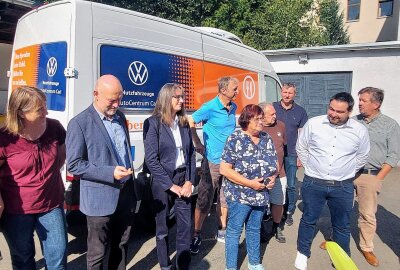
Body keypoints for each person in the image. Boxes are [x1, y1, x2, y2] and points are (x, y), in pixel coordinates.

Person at [294, 92, 370, 270]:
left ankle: (342, 260)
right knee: (308, 219)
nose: (333, 114)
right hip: (314, 183)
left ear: (349, 112)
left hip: (342, 186)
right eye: (331, 109)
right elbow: (301, 148)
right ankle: (302, 253)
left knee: (342, 225)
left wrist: (345, 172)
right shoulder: (314, 123)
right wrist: (313, 168)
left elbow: (362, 156)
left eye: (339, 112)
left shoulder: (359, 130)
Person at [66, 75, 135, 270]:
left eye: (119, 98)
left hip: (125, 193)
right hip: (99, 198)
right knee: (97, 253)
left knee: (121, 246)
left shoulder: (120, 117)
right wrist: (110, 172)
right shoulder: (79, 123)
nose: (117, 104)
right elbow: (75, 164)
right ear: (96, 94)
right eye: (112, 100)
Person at [0, 86, 67, 269]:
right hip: (17, 210)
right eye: (40, 109)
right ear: (21, 113)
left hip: (51, 204)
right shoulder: (5, 138)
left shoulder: (55, 128)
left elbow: (60, 158)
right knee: (23, 258)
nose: (46, 111)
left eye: (45, 105)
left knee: (58, 256)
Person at [143, 83, 196, 270]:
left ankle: (183, 266)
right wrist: (171, 186)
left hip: (183, 178)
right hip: (163, 181)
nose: (182, 100)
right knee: (162, 229)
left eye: (182, 96)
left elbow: (190, 154)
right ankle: (165, 266)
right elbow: (151, 160)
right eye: (177, 97)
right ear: (166, 98)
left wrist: (190, 181)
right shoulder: (153, 123)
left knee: (185, 227)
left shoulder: (183, 122)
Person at [220, 104, 277, 270]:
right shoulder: (235, 138)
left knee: (254, 229)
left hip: (260, 196)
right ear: (247, 120)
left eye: (262, 118)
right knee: (234, 232)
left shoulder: (266, 138)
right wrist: (250, 183)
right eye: (257, 119)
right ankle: (231, 267)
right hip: (240, 196)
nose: (261, 122)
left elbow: (273, 164)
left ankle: (254, 263)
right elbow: (225, 169)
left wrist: (272, 179)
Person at [189, 76, 239, 254]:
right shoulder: (210, 107)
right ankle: (196, 234)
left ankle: (222, 229)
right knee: (205, 199)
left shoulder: (233, 107)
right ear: (223, 90)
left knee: (225, 197)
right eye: (234, 89)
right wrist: (197, 143)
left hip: (229, 162)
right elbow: (190, 121)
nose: (237, 91)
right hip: (212, 162)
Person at [353, 87, 400, 266]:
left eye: (364, 100)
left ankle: (366, 247)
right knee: (339, 209)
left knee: (367, 214)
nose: (360, 103)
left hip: (370, 176)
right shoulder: (353, 121)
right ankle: (336, 241)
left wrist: (377, 179)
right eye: (360, 100)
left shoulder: (390, 125)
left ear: (376, 104)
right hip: (348, 173)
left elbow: (393, 156)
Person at [273, 83, 307, 226]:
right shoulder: (273, 108)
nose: (287, 95)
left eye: (290, 93)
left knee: (291, 185)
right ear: (281, 92)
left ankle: (288, 212)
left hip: (292, 153)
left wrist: (301, 156)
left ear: (294, 94)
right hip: (275, 153)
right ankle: (273, 210)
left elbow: (302, 135)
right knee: (273, 182)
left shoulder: (300, 111)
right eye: (285, 92)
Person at [259, 102, 287, 243]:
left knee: (278, 202)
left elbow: (283, 148)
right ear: (262, 116)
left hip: (279, 174)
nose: (275, 116)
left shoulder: (281, 125)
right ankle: (261, 228)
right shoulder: (257, 127)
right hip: (260, 176)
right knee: (260, 203)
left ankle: (277, 227)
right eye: (272, 114)